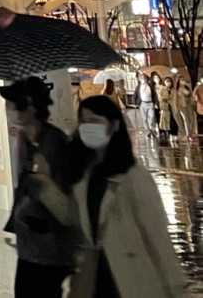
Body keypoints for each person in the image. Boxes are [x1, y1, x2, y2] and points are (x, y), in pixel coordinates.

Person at [66, 94, 186, 297]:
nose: (87, 127)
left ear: (114, 125)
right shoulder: (84, 176)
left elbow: (156, 235)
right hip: (95, 278)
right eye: (83, 121)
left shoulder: (134, 176)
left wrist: (174, 287)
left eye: (95, 120)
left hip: (132, 279)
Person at [0, 77, 76, 297]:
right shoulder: (25, 141)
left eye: (12, 105)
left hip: (50, 249)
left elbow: (65, 204)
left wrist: (42, 180)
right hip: (30, 246)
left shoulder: (54, 143)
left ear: (30, 107)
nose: (8, 110)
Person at [175, 78, 195, 143]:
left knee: (191, 120)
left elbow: (191, 94)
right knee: (186, 120)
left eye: (184, 80)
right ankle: (188, 135)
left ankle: (190, 134)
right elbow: (186, 93)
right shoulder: (179, 89)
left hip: (189, 106)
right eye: (182, 80)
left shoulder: (187, 88)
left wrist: (188, 86)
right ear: (179, 82)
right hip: (182, 106)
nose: (183, 81)